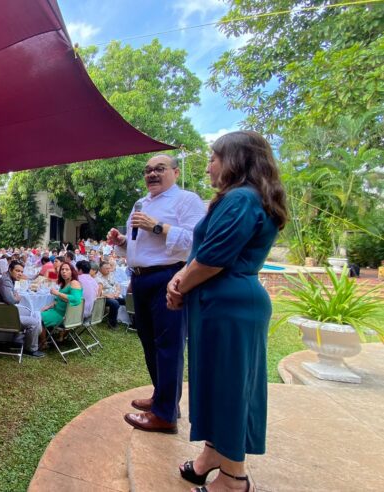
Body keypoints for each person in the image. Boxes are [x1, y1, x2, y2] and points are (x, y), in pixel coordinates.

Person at [166, 131, 287, 492]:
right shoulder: (245, 199)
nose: (208, 167)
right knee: (215, 380)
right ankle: (212, 455)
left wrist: (179, 286)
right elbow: (203, 255)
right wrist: (181, 277)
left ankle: (234, 477)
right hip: (220, 303)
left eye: (213, 159)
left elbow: (213, 259)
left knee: (231, 385)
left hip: (229, 303)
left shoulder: (241, 200)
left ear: (234, 160)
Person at [107, 153, 206, 434]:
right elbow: (140, 247)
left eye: (159, 169)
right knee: (149, 343)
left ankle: (165, 415)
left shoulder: (187, 200)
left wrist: (158, 226)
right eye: (147, 170)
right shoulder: (141, 203)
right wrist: (122, 241)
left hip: (168, 277)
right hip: (140, 279)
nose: (151, 174)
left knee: (169, 345)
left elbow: (197, 241)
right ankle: (162, 397)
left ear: (174, 172)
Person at [0, 260, 45, 358]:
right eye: (17, 271)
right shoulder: (6, 280)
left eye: (21, 271)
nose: (20, 273)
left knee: (30, 313)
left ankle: (17, 341)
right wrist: (17, 299)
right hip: (3, 317)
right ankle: (30, 349)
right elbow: (11, 300)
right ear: (10, 270)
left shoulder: (8, 278)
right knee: (34, 322)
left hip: (3, 313)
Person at [40, 263, 83, 347]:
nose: (64, 271)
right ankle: (46, 338)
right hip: (57, 311)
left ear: (72, 271)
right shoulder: (64, 284)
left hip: (64, 316)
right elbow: (57, 300)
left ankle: (43, 343)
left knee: (39, 318)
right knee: (38, 313)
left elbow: (76, 299)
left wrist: (57, 293)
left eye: (67, 269)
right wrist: (48, 307)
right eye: (62, 270)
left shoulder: (74, 283)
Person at [97, 261, 125, 328]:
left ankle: (133, 322)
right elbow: (98, 292)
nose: (109, 270)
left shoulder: (111, 275)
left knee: (127, 300)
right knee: (115, 303)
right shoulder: (97, 277)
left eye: (109, 268)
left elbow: (117, 284)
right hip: (103, 297)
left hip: (114, 295)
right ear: (100, 269)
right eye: (106, 268)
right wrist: (107, 295)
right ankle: (112, 323)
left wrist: (117, 292)